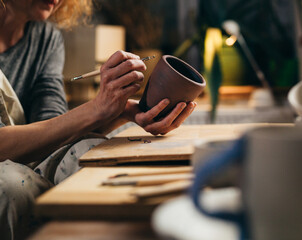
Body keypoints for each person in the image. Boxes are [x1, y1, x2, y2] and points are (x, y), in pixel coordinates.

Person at [0, 0, 196, 239]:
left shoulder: (45, 36)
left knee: (94, 155)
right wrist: (96, 109)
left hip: (28, 160)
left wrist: (121, 112)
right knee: (9, 186)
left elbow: (53, 127)